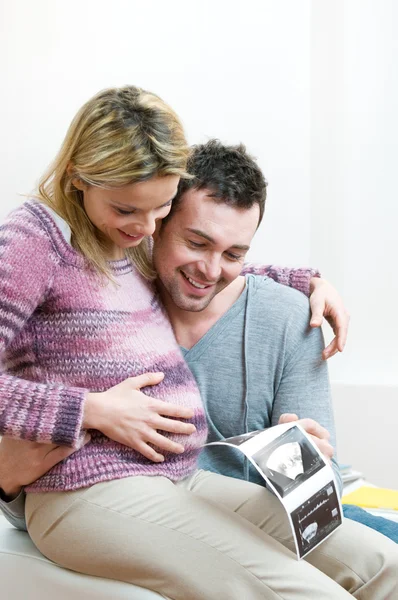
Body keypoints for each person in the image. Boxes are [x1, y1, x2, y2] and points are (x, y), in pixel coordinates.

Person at [0, 88, 397, 599]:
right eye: (130, 210)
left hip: (178, 478)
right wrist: (89, 410)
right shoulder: (35, 241)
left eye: (159, 211)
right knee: (308, 592)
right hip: (87, 490)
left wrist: (305, 279)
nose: (144, 228)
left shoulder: (124, 240)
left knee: (382, 563)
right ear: (78, 174)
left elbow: (208, 267)